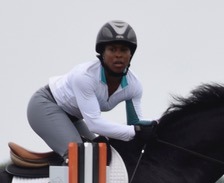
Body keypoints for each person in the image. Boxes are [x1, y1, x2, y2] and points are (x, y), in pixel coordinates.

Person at [27, 20, 157, 157]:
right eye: (112, 49)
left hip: (73, 117)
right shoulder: (84, 76)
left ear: (131, 55)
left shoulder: (134, 85)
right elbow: (95, 124)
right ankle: (57, 179)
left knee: (101, 155)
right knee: (79, 156)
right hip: (45, 106)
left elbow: (135, 122)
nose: (118, 55)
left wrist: (160, 124)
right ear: (102, 54)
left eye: (124, 50)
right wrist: (136, 131)